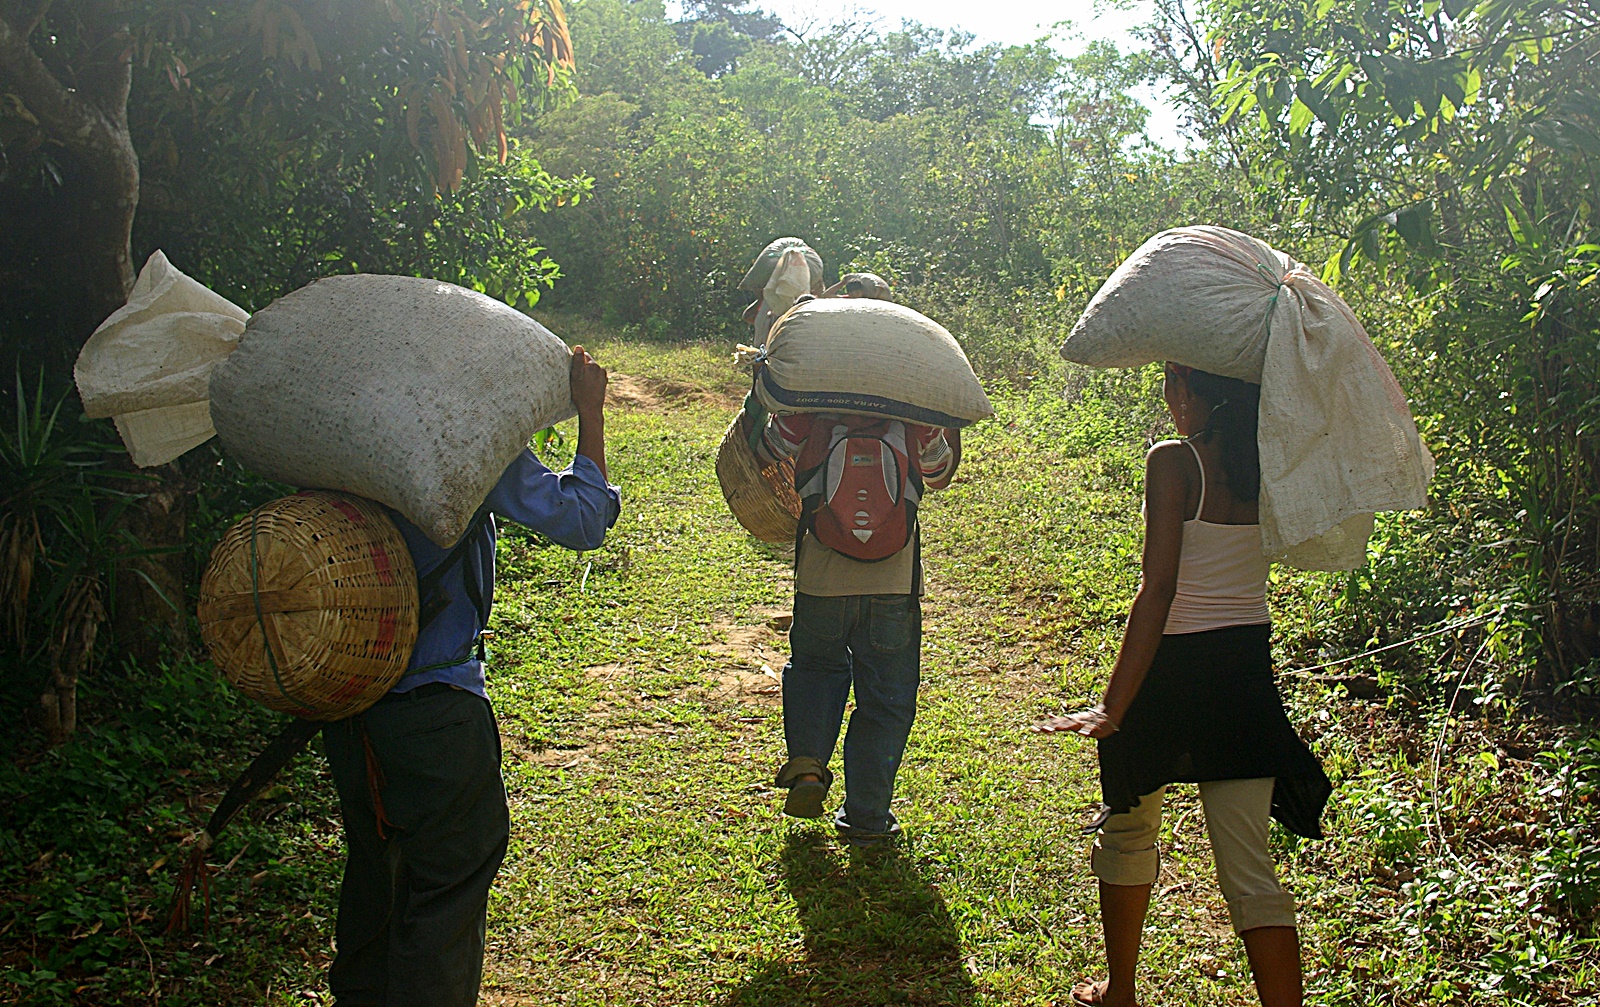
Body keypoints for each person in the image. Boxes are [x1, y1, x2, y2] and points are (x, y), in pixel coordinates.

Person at [319, 346, 620, 1007]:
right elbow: (584, 517)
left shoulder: (333, 441)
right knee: (450, 886)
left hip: (347, 705)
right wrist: (591, 413)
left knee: (374, 873)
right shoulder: (465, 438)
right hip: (438, 709)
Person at [1036, 364, 1330, 1007]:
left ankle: (1121, 990)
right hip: (1244, 670)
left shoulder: (1174, 462)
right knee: (1251, 868)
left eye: (1173, 382)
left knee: (1129, 827)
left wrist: (1113, 707)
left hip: (1170, 670)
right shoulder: (1269, 465)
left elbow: (1159, 589)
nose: (1170, 398)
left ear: (1191, 392)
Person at [754, 368, 961, 848]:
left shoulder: (809, 404)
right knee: (885, 701)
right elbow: (939, 475)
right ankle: (867, 815)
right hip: (893, 583)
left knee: (815, 670)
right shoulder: (913, 413)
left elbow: (766, 453)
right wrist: (938, 426)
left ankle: (807, 764)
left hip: (821, 580)